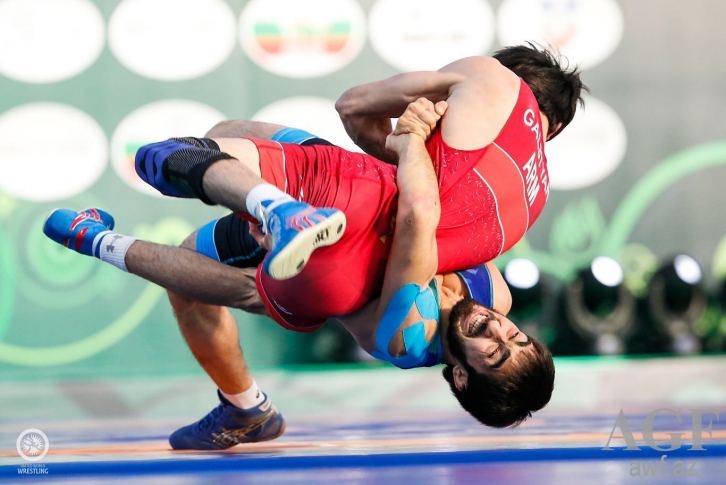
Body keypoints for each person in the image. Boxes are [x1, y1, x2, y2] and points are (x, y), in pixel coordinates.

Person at [45, 43, 583, 448]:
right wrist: (405, 156)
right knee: (231, 133)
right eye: (515, 337)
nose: (497, 329)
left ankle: (115, 241)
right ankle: (244, 401)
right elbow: (433, 217)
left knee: (248, 283)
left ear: (461, 376)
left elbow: (407, 196)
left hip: (337, 249)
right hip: (361, 204)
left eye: (494, 351)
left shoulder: (404, 334)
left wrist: (411, 136)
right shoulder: (495, 290)